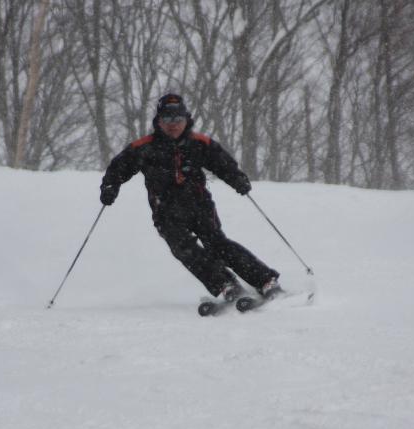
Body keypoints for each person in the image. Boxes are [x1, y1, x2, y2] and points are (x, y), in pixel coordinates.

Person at [99, 93, 281, 302]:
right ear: (159, 121)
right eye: (167, 119)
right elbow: (118, 169)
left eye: (178, 119)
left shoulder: (199, 143)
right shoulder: (144, 147)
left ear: (186, 120)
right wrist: (110, 187)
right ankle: (225, 285)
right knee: (183, 249)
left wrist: (237, 179)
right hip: (165, 211)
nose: (173, 124)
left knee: (217, 244)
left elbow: (223, 164)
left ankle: (265, 281)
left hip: (199, 205)